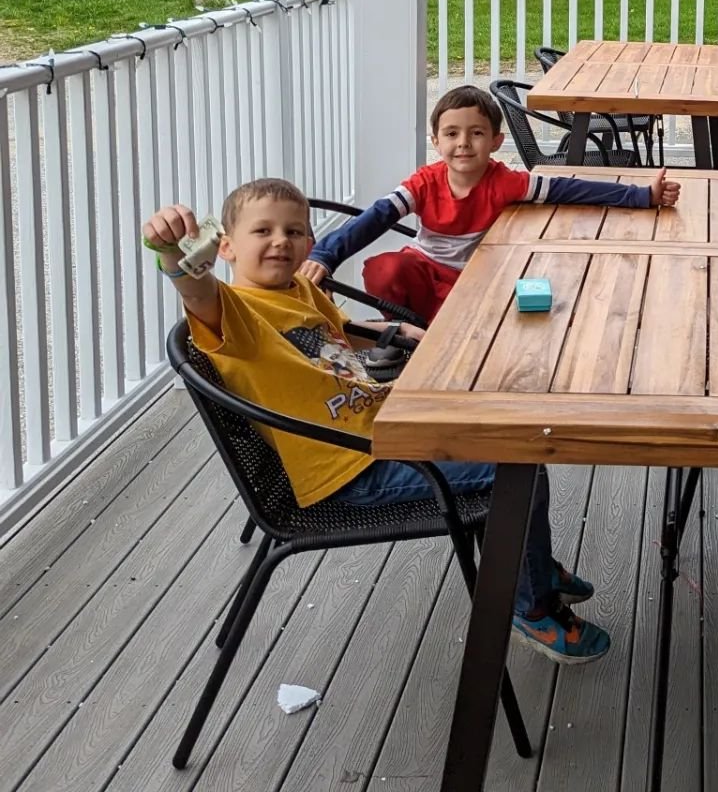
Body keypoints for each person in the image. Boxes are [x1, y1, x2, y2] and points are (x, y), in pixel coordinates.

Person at [147, 177, 611, 664]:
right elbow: (197, 293)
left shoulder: (300, 288)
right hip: (351, 469)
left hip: (382, 424)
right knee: (519, 468)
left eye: (294, 231)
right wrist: (172, 255)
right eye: (262, 232)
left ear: (310, 241)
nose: (280, 241)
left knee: (503, 420)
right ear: (225, 247)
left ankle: (529, 562)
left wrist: (394, 330)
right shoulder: (234, 314)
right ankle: (531, 605)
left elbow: (335, 336)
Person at [299, 84, 680, 323]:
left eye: (476, 133)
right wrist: (325, 255)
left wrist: (641, 195)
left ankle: (431, 338)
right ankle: (412, 333)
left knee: (517, 310)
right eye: (452, 133)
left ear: (496, 141)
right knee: (384, 270)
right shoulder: (424, 183)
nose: (463, 143)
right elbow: (375, 217)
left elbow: (569, 188)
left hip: (475, 279)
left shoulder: (505, 182)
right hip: (426, 269)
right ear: (436, 141)